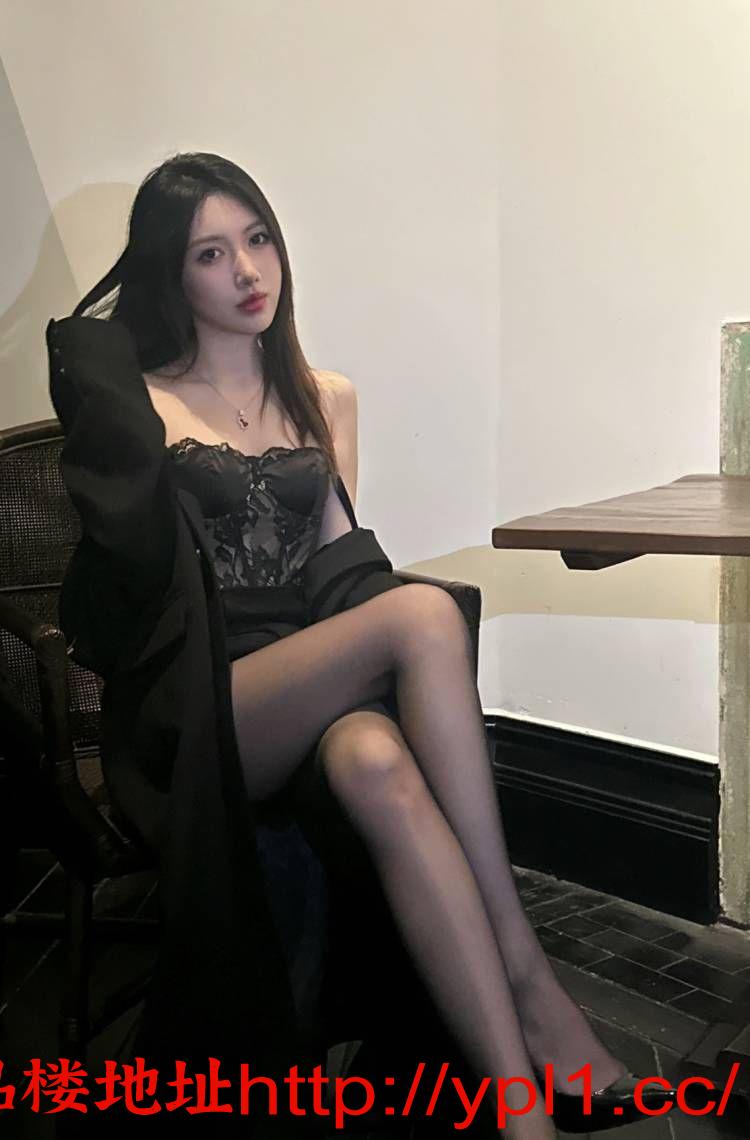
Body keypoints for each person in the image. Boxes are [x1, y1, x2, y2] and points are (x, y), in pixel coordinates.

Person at [47, 152, 674, 1139]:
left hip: (308, 675)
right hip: (200, 701)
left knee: (377, 756)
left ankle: (520, 1112)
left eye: (258, 239)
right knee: (423, 615)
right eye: (210, 254)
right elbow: (120, 581)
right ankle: (525, 972)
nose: (247, 270)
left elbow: (343, 568)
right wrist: (102, 361)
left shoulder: (323, 396)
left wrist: (375, 672)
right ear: (171, 272)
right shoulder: (142, 400)